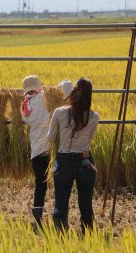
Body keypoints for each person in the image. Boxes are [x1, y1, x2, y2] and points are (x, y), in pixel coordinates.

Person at [46, 77, 99, 233]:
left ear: (73, 92)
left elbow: (49, 138)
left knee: (61, 203)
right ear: (90, 96)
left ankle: (61, 235)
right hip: (85, 160)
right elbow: (89, 140)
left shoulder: (59, 112)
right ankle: (88, 234)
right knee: (86, 203)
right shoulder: (94, 117)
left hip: (64, 161)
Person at [21, 75, 51, 228]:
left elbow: (26, 119)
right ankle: (60, 216)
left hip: (36, 152)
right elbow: (65, 86)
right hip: (52, 150)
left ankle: (37, 220)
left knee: (40, 184)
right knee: (59, 183)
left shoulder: (25, 106)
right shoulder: (46, 97)